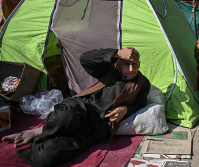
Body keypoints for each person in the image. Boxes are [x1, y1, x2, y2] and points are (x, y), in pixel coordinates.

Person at [2, 47, 151, 167]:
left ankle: (43, 135)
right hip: (81, 106)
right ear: (118, 64)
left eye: (134, 64)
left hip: (96, 125)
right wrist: (116, 53)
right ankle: (38, 131)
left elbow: (139, 104)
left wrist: (125, 109)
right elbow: (85, 59)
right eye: (126, 64)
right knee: (66, 115)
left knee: (45, 157)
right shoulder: (109, 70)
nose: (131, 69)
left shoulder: (143, 83)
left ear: (139, 65)